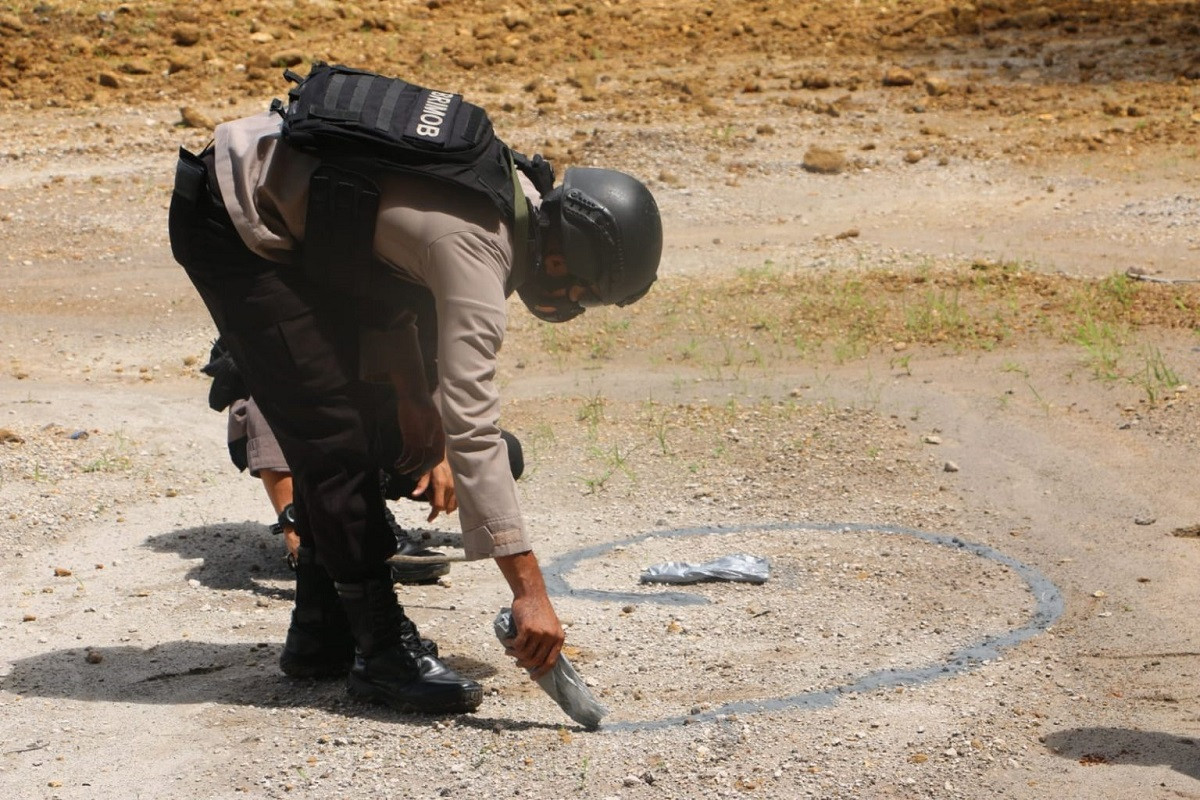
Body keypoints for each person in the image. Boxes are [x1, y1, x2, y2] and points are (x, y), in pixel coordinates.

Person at [168, 63, 662, 716]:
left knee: (368, 422)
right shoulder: (480, 252)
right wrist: (529, 592)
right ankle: (382, 652)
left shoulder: (512, 190)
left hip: (293, 217)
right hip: (235, 219)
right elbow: (474, 429)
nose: (570, 303)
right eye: (581, 292)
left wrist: (408, 399)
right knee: (334, 433)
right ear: (567, 259)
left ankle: (319, 632)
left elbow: (393, 278)